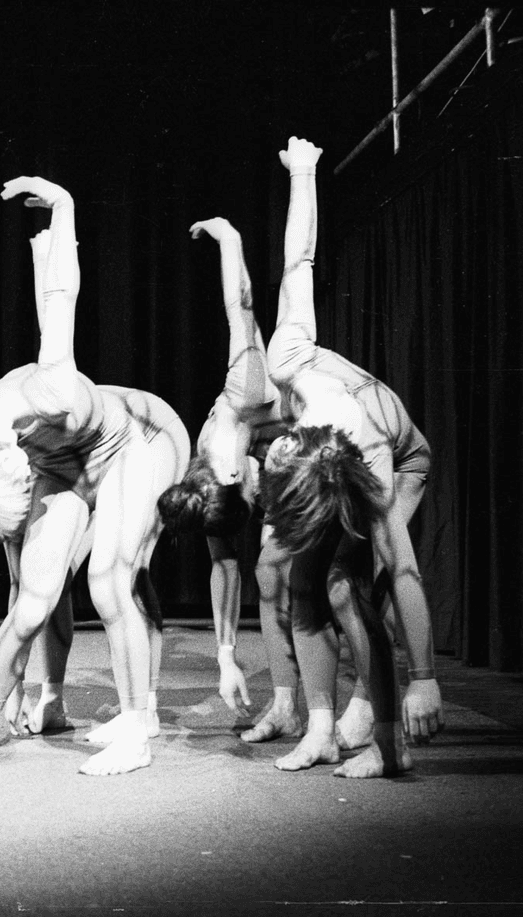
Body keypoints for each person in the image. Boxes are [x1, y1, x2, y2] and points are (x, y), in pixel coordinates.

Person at [0, 176, 189, 776]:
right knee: (34, 601)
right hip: (66, 469)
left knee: (108, 578)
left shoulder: (51, 388)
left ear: (12, 468)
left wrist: (65, 206)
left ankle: (138, 730)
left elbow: (59, 295)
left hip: (131, 446)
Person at [257, 137, 443, 778]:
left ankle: (389, 741)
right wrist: (305, 172)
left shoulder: (364, 460)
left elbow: (404, 565)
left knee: (346, 588)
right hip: (338, 453)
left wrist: (425, 678)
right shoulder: (289, 357)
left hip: (401, 454)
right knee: (300, 583)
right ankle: (319, 731)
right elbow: (297, 260)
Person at [162, 217, 380, 753]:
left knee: (338, 581)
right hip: (289, 468)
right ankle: (285, 704)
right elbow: (221, 563)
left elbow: (242, 308)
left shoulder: (248, 386)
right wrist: (224, 654)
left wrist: (230, 239)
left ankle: (370, 701)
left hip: (341, 445)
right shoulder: (205, 481)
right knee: (265, 573)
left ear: (238, 478)